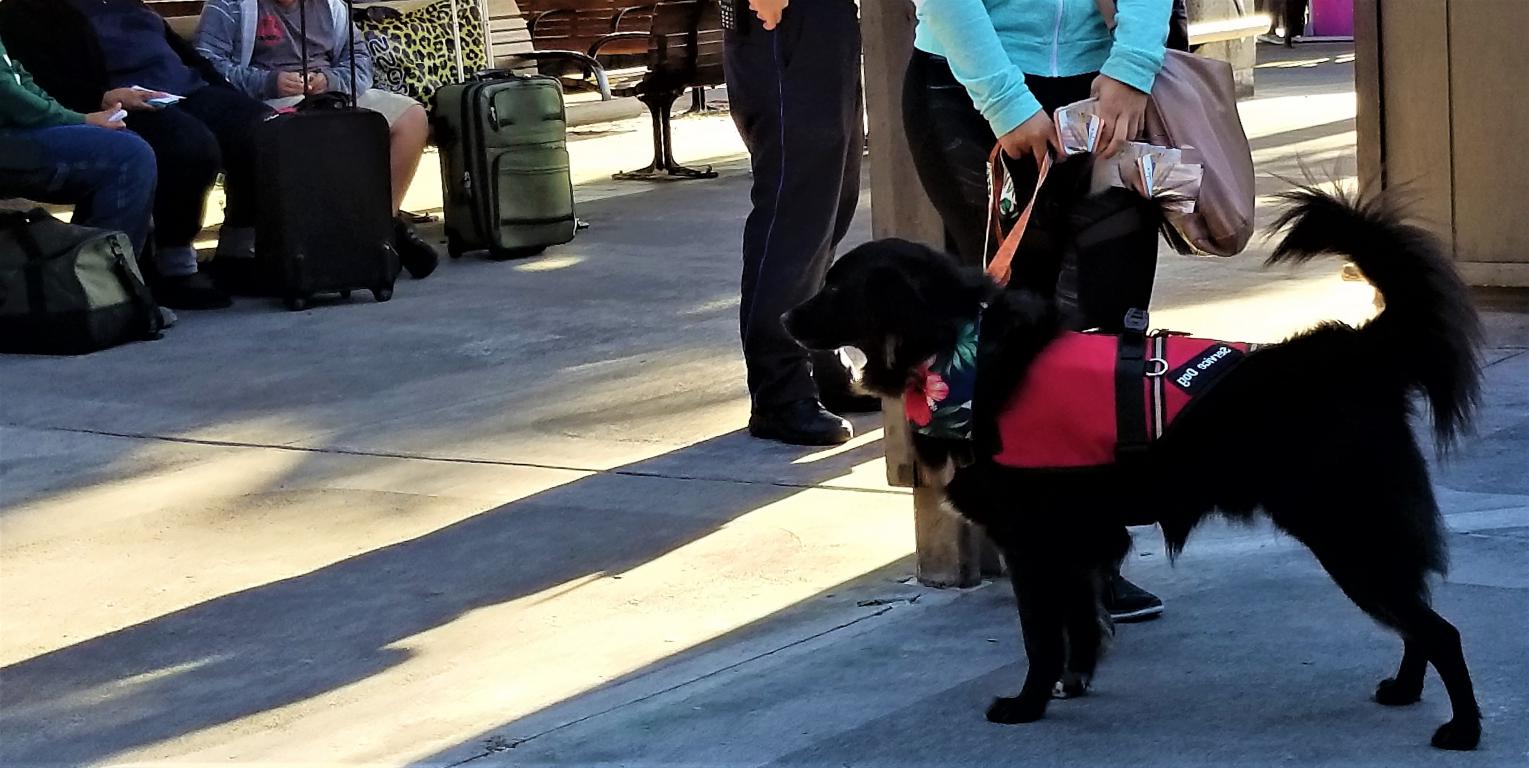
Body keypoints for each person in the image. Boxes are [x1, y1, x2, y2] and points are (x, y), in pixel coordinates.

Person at [905, 0, 1173, 621]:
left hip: (1103, 86)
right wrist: (1005, 101)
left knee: (1108, 327)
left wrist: (1134, 65)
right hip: (970, 84)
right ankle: (1034, 550)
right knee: (1003, 332)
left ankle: (1095, 554)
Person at [0, 0, 282, 310]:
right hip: (124, 100)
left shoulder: (132, 5)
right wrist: (97, 100)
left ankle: (239, 251)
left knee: (262, 128)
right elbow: (34, 82)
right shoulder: (33, 12)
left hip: (186, 89)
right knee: (188, 146)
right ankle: (166, 266)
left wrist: (226, 91)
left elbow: (186, 55)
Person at [194, 0, 439, 279]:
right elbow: (205, 65)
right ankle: (371, 234)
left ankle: (380, 227)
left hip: (331, 95)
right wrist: (268, 81)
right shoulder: (231, 5)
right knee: (317, 132)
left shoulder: (333, 6)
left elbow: (360, 63)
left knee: (411, 117)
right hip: (264, 102)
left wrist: (329, 80)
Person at [723, 0, 871, 447]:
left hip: (825, 18)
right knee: (796, 212)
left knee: (832, 202)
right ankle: (780, 392)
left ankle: (818, 361)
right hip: (784, 20)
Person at [1, 40, 156, 260]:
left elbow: (17, 78)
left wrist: (70, 118)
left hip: (16, 131)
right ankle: (102, 280)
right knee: (128, 156)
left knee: (124, 144)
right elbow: (7, 93)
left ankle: (80, 274)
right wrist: (80, 119)